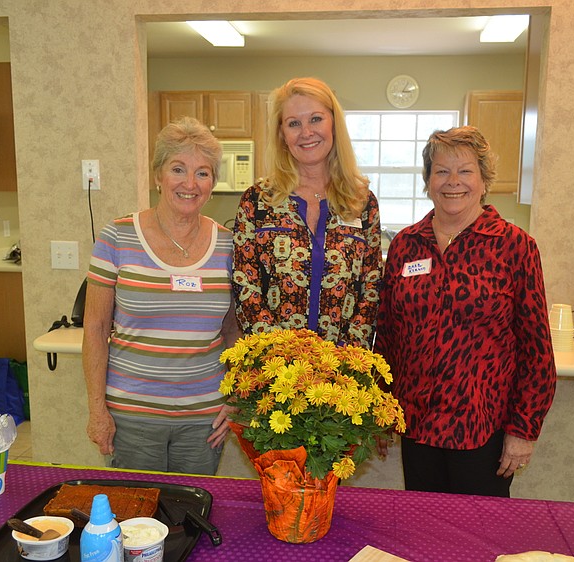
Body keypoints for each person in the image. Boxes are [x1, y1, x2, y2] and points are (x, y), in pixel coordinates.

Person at [374, 126, 556, 497]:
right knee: (422, 535)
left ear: (484, 180)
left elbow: (537, 349)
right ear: (427, 181)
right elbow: (388, 336)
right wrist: (381, 408)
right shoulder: (406, 245)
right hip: (418, 427)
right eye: (441, 171)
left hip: (483, 431)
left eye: (465, 171)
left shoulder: (514, 246)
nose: (452, 182)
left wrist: (523, 430)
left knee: (480, 543)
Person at [82, 116, 241, 475]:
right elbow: (94, 327)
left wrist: (235, 398)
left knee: (190, 517)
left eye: (202, 173)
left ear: (213, 183)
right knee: (136, 519)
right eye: (178, 169)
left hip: (203, 420)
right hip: (131, 417)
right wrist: (97, 410)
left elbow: (233, 333)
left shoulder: (229, 245)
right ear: (158, 176)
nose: (190, 183)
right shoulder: (117, 237)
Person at [232, 77, 382, 348]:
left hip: (342, 373)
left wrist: (344, 361)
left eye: (315, 119)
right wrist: (280, 357)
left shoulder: (362, 202)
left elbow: (370, 290)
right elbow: (246, 286)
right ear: (282, 134)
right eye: (294, 123)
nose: (306, 132)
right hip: (274, 372)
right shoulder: (258, 201)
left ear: (333, 123)